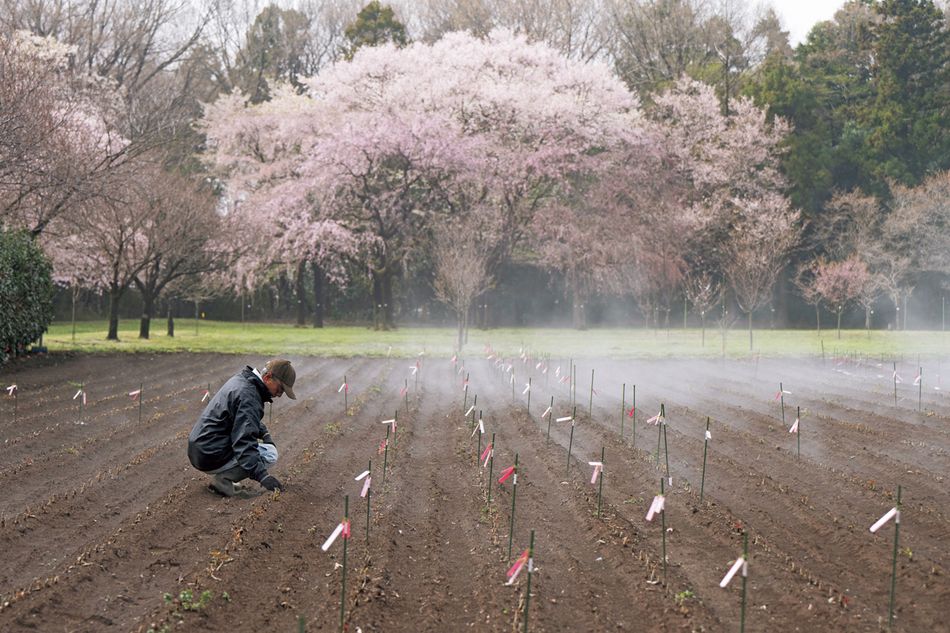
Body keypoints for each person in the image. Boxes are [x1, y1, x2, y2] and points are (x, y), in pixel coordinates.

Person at [188, 359, 297, 496]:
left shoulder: (243, 380)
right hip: (209, 454)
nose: (279, 395)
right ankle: (223, 480)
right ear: (268, 377)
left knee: (261, 447)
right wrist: (263, 476)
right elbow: (243, 442)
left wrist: (265, 435)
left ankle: (225, 477)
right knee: (270, 454)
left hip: (201, 448)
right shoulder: (249, 397)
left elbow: (245, 419)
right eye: (280, 389)